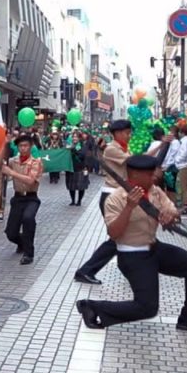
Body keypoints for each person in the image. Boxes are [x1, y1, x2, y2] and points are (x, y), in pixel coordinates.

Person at [74, 155, 187, 335]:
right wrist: (129, 207)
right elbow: (114, 233)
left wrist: (171, 216)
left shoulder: (155, 191)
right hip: (132, 255)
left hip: (154, 248)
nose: (154, 176)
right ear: (134, 175)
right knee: (147, 308)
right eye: (149, 174)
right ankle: (92, 306)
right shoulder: (116, 198)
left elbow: (173, 211)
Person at [73, 120, 132, 285]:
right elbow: (133, 162)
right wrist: (159, 147)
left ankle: (130, 269)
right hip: (111, 196)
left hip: (120, 195)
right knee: (118, 237)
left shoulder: (123, 148)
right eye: (127, 132)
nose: (129, 135)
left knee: (124, 236)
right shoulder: (113, 149)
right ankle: (86, 270)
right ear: (118, 133)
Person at [2, 135, 42, 265]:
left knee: (28, 219)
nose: (23, 148)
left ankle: (29, 254)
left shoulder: (36, 162)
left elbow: (30, 181)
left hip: (31, 198)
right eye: (20, 146)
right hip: (18, 198)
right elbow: (1, 162)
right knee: (11, 233)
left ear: (30, 147)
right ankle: (22, 243)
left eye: (26, 146)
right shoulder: (13, 161)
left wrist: (11, 173)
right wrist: (5, 144)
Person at [173, 123, 187, 214]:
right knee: (186, 186)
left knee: (184, 186)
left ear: (182, 132)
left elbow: (183, 153)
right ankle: (186, 205)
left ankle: (186, 206)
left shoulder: (185, 141)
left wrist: (176, 160)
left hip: (183, 165)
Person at [66, 131, 90, 206]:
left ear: (79, 138)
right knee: (71, 186)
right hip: (71, 167)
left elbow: (82, 155)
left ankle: (79, 201)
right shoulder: (69, 145)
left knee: (81, 186)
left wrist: (73, 149)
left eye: (76, 137)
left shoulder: (82, 145)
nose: (74, 138)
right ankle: (72, 200)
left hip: (80, 168)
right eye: (73, 137)